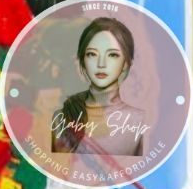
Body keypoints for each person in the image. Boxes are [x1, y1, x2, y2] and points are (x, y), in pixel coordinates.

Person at [51, 17, 149, 156]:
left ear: (126, 63)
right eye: (92, 54)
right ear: (82, 61)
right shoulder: (60, 117)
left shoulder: (139, 122)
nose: (101, 64)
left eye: (112, 55)